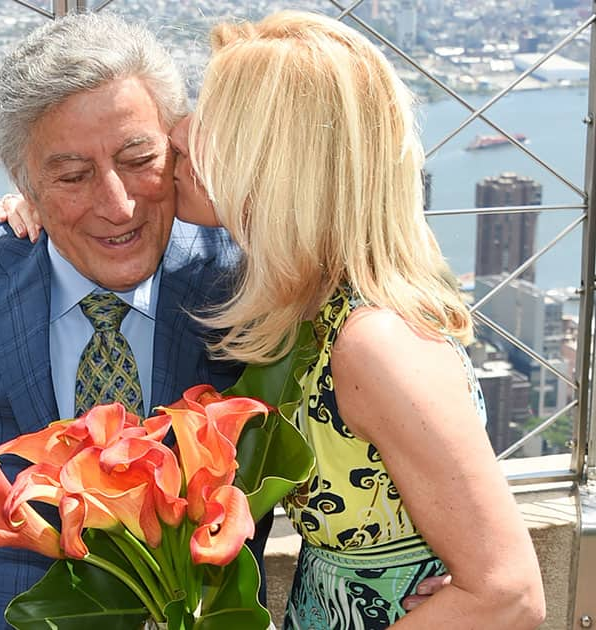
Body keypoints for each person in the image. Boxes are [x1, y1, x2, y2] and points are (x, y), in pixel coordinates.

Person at [0, 13, 270, 630]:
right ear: (23, 182)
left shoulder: (244, 283)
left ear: (176, 148)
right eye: (72, 176)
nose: (117, 205)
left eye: (138, 157)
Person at [169, 10, 545, 629]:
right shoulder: (317, 306)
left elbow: (509, 596)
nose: (179, 132)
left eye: (212, 115)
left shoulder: (375, 342)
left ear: (277, 160)